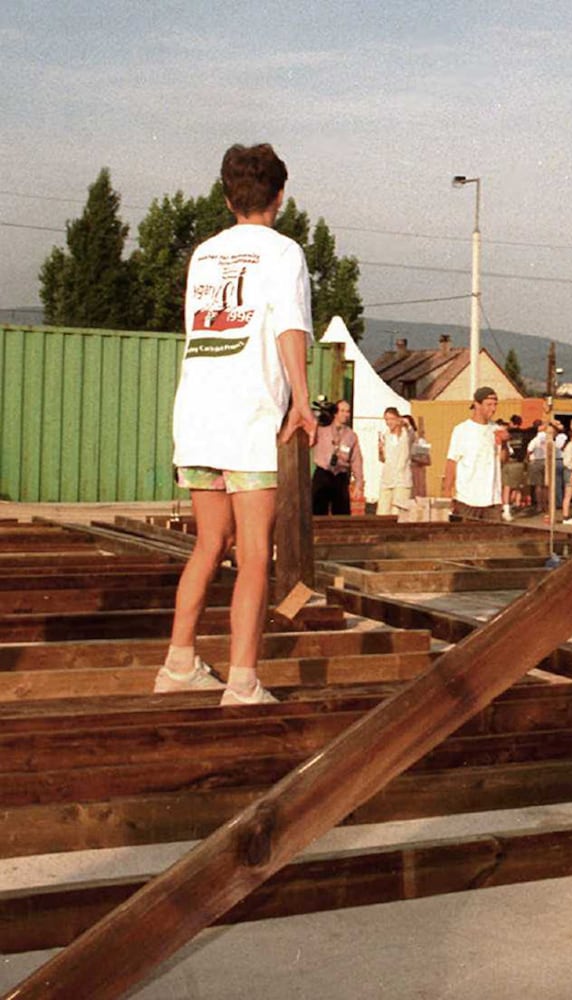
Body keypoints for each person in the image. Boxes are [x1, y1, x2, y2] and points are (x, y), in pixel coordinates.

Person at [155, 142, 315, 706]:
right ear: (281, 196)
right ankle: (243, 681)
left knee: (207, 545)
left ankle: (178, 661)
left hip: (197, 413)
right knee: (252, 552)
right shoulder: (283, 252)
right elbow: (289, 326)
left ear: (227, 198)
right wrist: (300, 399)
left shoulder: (204, 253)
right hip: (248, 416)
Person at [443, 386, 503, 520]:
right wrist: (447, 492)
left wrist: (503, 444)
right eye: (489, 405)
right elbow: (452, 462)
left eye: (495, 405)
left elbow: (502, 460)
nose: (493, 409)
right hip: (467, 499)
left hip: (492, 499)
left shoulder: (497, 429)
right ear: (477, 405)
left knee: (495, 539)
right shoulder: (461, 430)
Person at [311, 398, 361, 515]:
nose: (345, 414)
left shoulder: (351, 435)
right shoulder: (322, 430)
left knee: (342, 512)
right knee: (317, 511)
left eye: (347, 411)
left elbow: (356, 460)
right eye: (342, 411)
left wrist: (359, 483)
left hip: (340, 476)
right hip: (323, 473)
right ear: (335, 413)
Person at [376, 406, 415, 516]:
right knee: (382, 512)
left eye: (391, 419)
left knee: (398, 513)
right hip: (387, 479)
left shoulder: (406, 434)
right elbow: (383, 459)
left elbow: (410, 428)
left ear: (398, 419)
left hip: (402, 479)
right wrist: (379, 451)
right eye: (386, 419)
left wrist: (402, 421)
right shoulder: (385, 435)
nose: (389, 422)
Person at [403, 413, 429, 499]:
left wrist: (413, 456)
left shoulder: (420, 441)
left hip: (416, 475)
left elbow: (427, 460)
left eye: (406, 425)